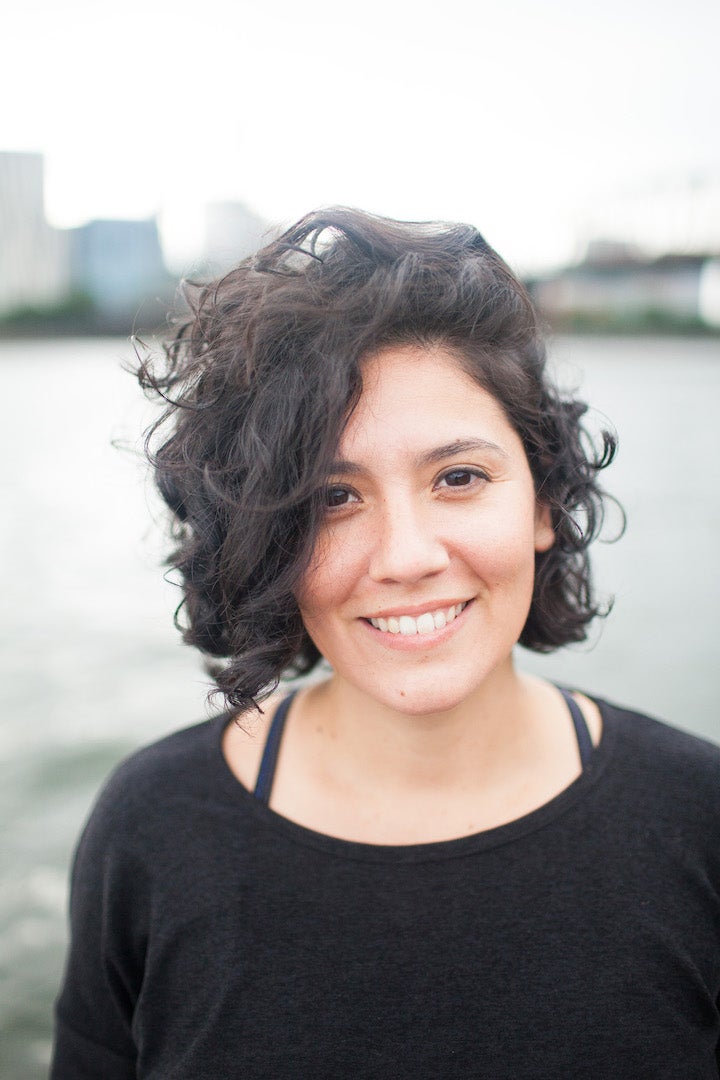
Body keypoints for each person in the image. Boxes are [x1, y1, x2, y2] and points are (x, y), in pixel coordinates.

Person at [51, 209, 720, 1079]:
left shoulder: (699, 814)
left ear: (543, 502)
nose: (407, 557)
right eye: (332, 499)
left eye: (459, 477)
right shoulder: (152, 826)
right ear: (266, 539)